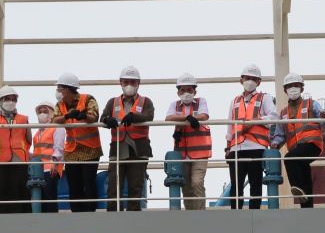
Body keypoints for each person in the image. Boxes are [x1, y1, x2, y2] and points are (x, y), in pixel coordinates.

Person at [271, 73, 325, 208]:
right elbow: (280, 134)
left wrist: (324, 118)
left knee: (289, 158)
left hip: (312, 144)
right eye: (290, 86)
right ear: (285, 90)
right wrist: (274, 145)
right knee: (303, 168)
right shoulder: (283, 113)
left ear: (302, 89)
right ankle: (307, 205)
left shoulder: (311, 104)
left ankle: (296, 188)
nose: (293, 89)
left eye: (296, 86)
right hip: (296, 148)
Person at [100, 66, 154, 211]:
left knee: (135, 186)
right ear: (121, 83)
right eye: (126, 82)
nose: (129, 85)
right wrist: (108, 120)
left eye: (133, 82)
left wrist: (134, 117)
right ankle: (113, 214)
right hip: (118, 148)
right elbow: (103, 117)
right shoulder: (113, 102)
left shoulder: (146, 101)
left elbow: (149, 116)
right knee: (113, 185)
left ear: (138, 83)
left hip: (138, 149)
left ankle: (133, 217)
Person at [225, 64, 278, 209]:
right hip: (236, 148)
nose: (250, 81)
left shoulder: (264, 98)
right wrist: (227, 147)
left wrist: (255, 122)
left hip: (256, 147)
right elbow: (230, 125)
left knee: (255, 183)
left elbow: (274, 117)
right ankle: (236, 212)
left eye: (254, 79)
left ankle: (254, 212)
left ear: (259, 82)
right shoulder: (234, 101)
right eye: (248, 78)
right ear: (241, 80)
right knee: (236, 185)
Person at [52, 72, 101, 212]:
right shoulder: (60, 105)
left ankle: (90, 212)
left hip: (90, 149)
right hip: (72, 150)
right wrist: (67, 115)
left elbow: (94, 117)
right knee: (74, 184)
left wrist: (83, 115)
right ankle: (77, 212)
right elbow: (54, 120)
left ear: (68, 89)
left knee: (88, 182)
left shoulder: (87, 99)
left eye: (60, 88)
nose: (58, 91)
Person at [165, 72, 211, 210]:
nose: (186, 93)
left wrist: (187, 117)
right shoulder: (174, 105)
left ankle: (200, 214)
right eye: (183, 90)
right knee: (185, 185)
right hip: (182, 153)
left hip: (200, 152)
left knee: (197, 182)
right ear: (178, 91)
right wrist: (188, 117)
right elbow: (168, 118)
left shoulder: (201, 102)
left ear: (195, 91)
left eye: (189, 90)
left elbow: (204, 115)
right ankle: (190, 214)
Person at [0, 86, 32, 214]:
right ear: (1, 101)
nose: (11, 102)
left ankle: (22, 221)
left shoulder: (24, 119)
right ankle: (2, 222)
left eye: (13, 99)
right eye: (7, 99)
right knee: (1, 192)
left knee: (20, 192)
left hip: (19, 161)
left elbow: (29, 139)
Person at [31, 101, 65, 213]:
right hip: (38, 171)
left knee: (50, 198)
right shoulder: (37, 134)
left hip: (51, 168)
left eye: (45, 111)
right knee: (41, 200)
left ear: (51, 113)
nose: (42, 114)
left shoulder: (56, 128)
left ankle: (52, 224)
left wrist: (55, 163)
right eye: (39, 112)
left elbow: (58, 147)